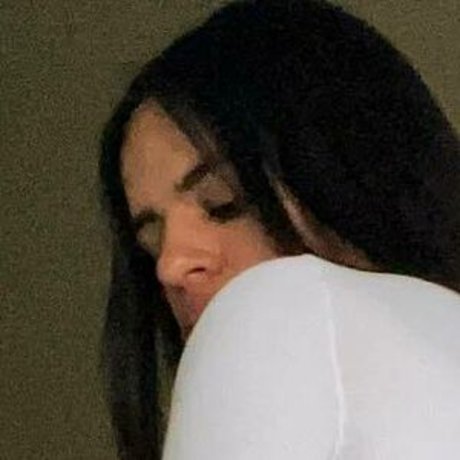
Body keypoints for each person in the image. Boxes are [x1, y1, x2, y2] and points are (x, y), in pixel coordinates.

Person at [98, 1, 460, 459]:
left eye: (223, 202)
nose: (169, 266)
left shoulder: (278, 308)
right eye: (150, 245)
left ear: (355, 171)